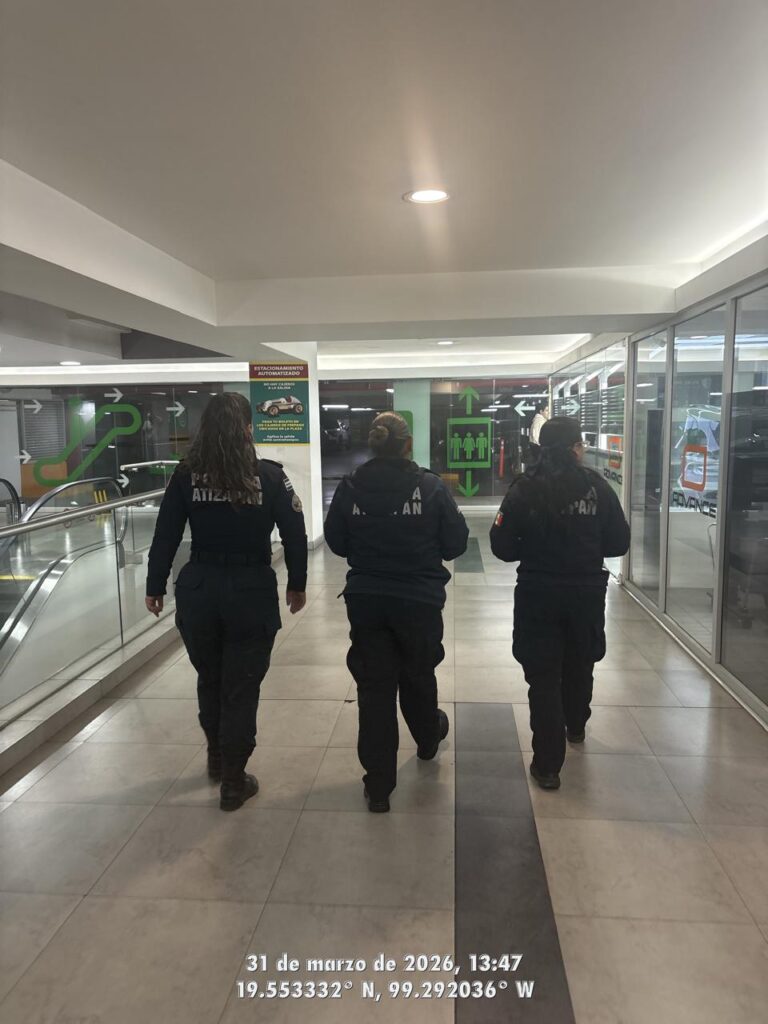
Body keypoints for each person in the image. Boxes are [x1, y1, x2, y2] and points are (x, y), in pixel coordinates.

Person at [145, 392, 308, 812]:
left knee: (211, 678)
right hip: (250, 591)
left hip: (199, 590)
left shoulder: (186, 475)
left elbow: (166, 533)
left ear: (205, 429)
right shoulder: (269, 477)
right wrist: (297, 584)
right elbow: (294, 533)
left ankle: (217, 755)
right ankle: (234, 780)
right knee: (241, 685)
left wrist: (155, 585)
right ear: (248, 429)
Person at [324, 412, 469, 813]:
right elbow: (456, 543)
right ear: (407, 445)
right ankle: (427, 740)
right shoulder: (431, 487)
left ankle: (378, 786)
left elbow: (336, 541)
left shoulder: (350, 487)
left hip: (367, 600)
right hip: (419, 600)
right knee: (418, 674)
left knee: (374, 689)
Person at [489, 416, 630, 790]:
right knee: (580, 660)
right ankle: (576, 725)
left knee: (543, 675)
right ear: (576, 448)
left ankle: (548, 766)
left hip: (538, 593)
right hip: (585, 593)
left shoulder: (525, 488)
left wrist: (532, 549)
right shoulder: (597, 487)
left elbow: (501, 545)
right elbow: (619, 542)